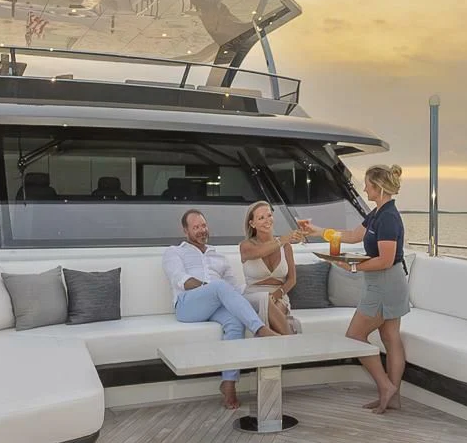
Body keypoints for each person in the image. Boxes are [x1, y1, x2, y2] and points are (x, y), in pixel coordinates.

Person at [299, 164, 408, 413]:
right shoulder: (377, 213)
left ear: (378, 187)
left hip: (386, 284)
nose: (365, 189)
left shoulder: (389, 217)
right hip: (384, 282)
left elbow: (386, 259)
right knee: (390, 338)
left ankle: (386, 387)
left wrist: (355, 268)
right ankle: (393, 397)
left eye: (368, 184)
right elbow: (350, 235)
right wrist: (316, 231)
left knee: (355, 336)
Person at [163, 209, 278, 410]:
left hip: (214, 303)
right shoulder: (174, 252)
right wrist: (211, 289)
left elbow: (234, 289)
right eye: (196, 227)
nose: (201, 230)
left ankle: (229, 384)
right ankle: (260, 330)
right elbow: (180, 279)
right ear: (185, 231)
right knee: (218, 286)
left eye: (204, 226)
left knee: (235, 322)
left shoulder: (219, 257)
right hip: (187, 305)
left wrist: (262, 289)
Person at [239, 201, 304, 335]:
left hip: (279, 295)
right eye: (261, 218)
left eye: (269, 215)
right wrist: (283, 239)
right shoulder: (246, 246)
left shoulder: (286, 246)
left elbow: (292, 279)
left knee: (277, 308)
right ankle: (292, 344)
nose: (267, 220)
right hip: (253, 295)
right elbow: (260, 252)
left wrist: (277, 295)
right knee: (267, 301)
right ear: (252, 224)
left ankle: (275, 344)